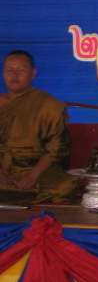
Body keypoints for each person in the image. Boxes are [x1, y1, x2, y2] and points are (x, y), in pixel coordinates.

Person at [0, 50, 77, 203]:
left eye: (20, 70)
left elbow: (57, 148)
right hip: (4, 168)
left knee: (65, 186)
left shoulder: (48, 105)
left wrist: (33, 175)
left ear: (33, 74)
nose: (14, 75)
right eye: (9, 70)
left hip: (36, 166)